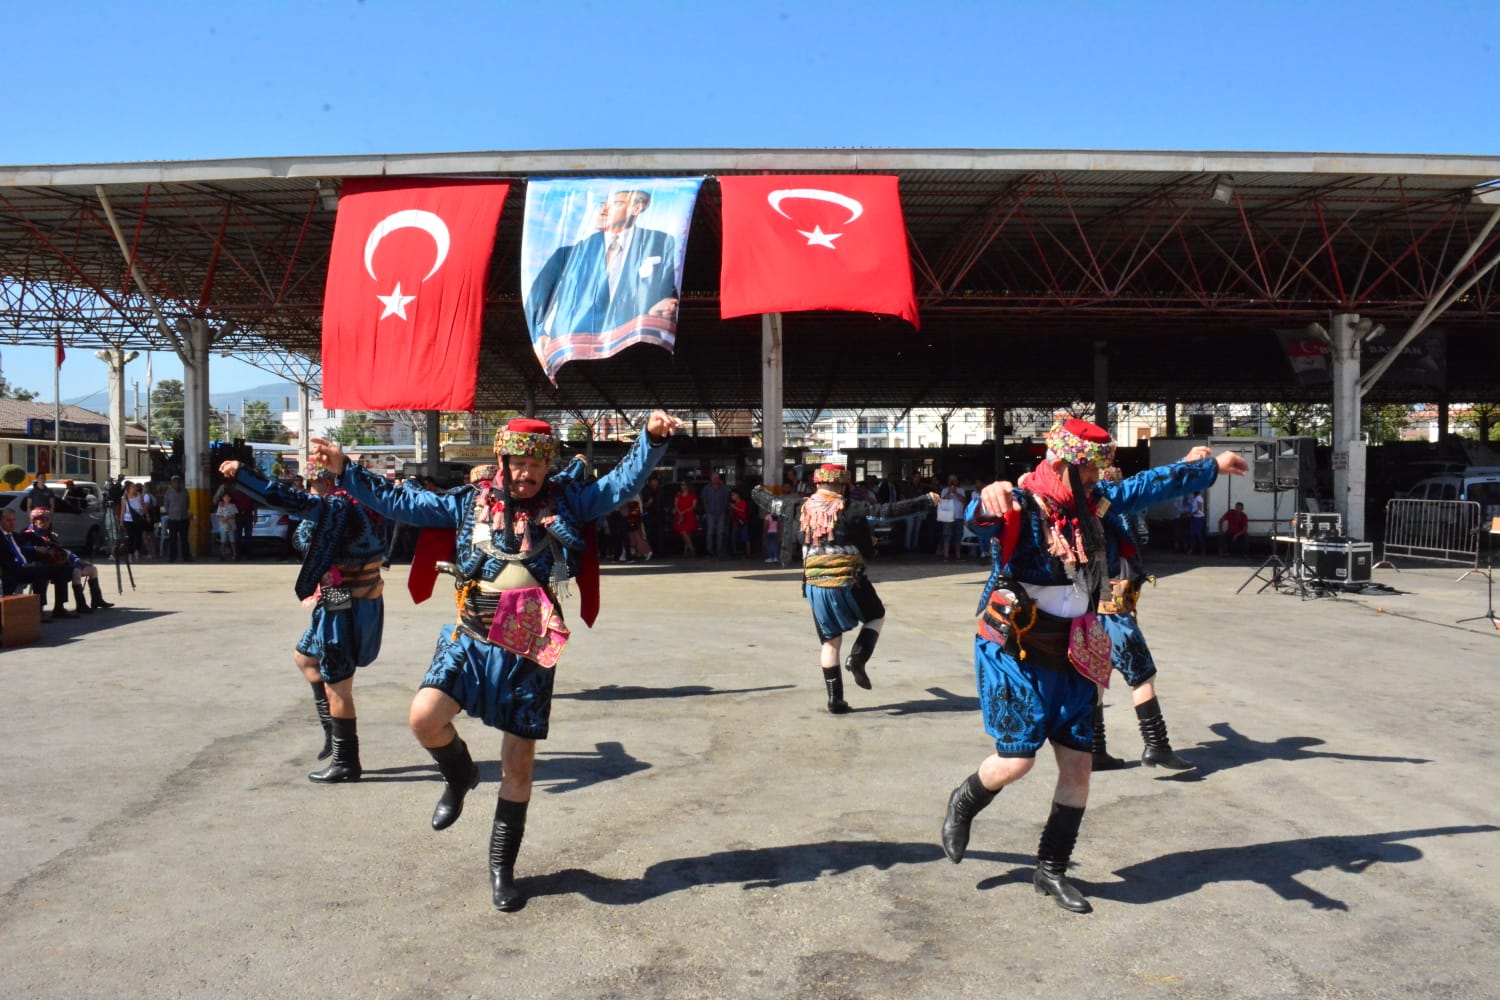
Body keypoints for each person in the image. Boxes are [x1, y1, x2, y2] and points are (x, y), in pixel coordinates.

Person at [309, 412, 680, 912]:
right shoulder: (468, 502)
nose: (524, 473)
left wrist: (650, 440)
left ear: (548, 466)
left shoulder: (569, 501)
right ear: (501, 459)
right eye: (516, 463)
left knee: (518, 764)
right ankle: (460, 775)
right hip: (471, 634)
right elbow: (402, 501)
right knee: (423, 717)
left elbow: (620, 483)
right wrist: (345, 468)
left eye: (534, 465)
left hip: (530, 642)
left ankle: (502, 868)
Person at [939, 419, 1246, 914]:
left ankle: (1050, 870)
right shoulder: (1020, 503)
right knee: (1017, 762)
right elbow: (981, 516)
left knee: (1080, 767)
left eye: (1096, 474)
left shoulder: (1094, 502)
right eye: (1086, 473)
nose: (1093, 483)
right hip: (1016, 649)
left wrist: (1211, 467)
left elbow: (1146, 486)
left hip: (1077, 647)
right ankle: (966, 799)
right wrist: (988, 494)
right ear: (1060, 464)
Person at [219, 460, 389, 781]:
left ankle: (346, 761)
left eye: (312, 484)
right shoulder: (359, 501)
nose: (309, 490)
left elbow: (284, 500)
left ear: (325, 483)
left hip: (345, 599)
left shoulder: (338, 505)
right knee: (305, 657)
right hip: (342, 596)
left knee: (337, 683)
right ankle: (330, 733)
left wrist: (242, 475)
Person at [752, 465, 938, 714]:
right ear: (843, 485)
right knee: (876, 615)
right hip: (849, 582)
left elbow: (771, 504)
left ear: (816, 485)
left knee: (830, 642)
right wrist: (925, 500)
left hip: (815, 587)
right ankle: (858, 658)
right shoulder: (851, 509)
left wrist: (756, 491)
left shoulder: (797, 508)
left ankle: (835, 700)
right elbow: (886, 512)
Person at [525, 189, 680, 343]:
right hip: (574, 344)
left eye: (616, 204)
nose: (604, 211)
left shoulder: (659, 242)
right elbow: (536, 299)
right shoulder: (569, 254)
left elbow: (671, 282)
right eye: (603, 205)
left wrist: (667, 301)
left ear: (637, 208)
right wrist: (539, 336)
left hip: (636, 340)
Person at [22, 507, 113, 612]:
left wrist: (77, 559)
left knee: (92, 569)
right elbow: (22, 548)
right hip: (41, 565)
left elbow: (63, 551)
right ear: (34, 520)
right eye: (41, 519)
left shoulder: (50, 534)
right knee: (75, 571)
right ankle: (80, 604)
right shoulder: (28, 534)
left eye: (47, 519)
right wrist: (36, 549)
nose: (45, 522)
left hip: (57, 564)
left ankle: (96, 600)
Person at [0, 508, 77, 620]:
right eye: (8, 520)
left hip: (25, 567)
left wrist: (36, 549)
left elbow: (24, 548)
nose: (12, 523)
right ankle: (39, 610)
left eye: (14, 520)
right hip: (10, 570)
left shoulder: (15, 536)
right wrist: (24, 564)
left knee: (61, 570)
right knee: (40, 572)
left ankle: (59, 608)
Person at [160, 475, 193, 562]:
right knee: (173, 539)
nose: (177, 484)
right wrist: (171, 513)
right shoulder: (168, 493)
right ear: (172, 484)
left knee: (184, 539)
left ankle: (186, 557)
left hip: (183, 518)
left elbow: (188, 504)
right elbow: (166, 505)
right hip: (173, 519)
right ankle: (172, 557)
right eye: (175, 482)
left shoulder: (185, 492)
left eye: (178, 482)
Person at [936, 474, 967, 560]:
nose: (952, 481)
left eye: (954, 480)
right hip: (947, 517)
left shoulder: (961, 490)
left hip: (959, 516)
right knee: (947, 536)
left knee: (958, 536)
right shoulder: (944, 490)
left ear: (957, 481)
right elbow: (941, 501)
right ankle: (946, 555)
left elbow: (964, 501)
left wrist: (955, 492)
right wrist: (949, 492)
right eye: (951, 480)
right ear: (948, 481)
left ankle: (958, 556)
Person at [700, 472, 729, 558]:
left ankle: (719, 551)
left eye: (716, 477)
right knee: (710, 533)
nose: (715, 479)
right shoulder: (706, 489)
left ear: (719, 478)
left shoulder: (724, 489)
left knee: (720, 533)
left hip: (721, 513)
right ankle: (709, 552)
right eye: (713, 478)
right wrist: (707, 511)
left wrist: (723, 510)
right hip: (710, 513)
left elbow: (726, 500)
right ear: (711, 479)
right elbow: (704, 501)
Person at [120, 481, 152, 558]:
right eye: (132, 487)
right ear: (128, 489)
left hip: (138, 519)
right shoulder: (124, 498)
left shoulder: (139, 496)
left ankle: (137, 551)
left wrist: (147, 515)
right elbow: (123, 511)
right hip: (129, 520)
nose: (135, 488)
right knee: (131, 537)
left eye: (135, 486)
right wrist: (121, 522)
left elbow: (143, 506)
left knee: (139, 536)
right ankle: (130, 553)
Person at [674, 482, 700, 558]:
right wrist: (680, 512)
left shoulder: (693, 496)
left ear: (688, 486)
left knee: (688, 534)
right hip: (680, 515)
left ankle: (685, 552)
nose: (683, 486)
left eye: (684, 484)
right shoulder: (678, 495)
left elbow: (693, 506)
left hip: (689, 515)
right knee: (683, 532)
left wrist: (685, 511)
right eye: (681, 485)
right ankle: (692, 549)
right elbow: (675, 505)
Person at [214, 492, 238, 559]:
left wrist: (226, 518)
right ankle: (223, 555)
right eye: (225, 497)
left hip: (232, 526)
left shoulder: (233, 506)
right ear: (222, 498)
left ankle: (235, 554)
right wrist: (227, 522)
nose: (226, 498)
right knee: (223, 541)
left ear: (230, 498)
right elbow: (219, 516)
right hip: (223, 526)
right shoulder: (220, 506)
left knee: (232, 541)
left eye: (228, 497)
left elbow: (234, 515)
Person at [728, 489, 751, 558]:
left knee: (745, 538)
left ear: (737, 495)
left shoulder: (742, 502)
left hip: (743, 522)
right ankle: (734, 552)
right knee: (734, 537)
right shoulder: (733, 504)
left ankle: (748, 553)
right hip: (736, 523)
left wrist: (734, 507)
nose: (731, 496)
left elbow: (743, 510)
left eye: (733, 495)